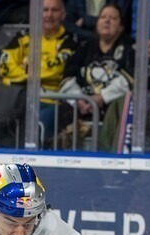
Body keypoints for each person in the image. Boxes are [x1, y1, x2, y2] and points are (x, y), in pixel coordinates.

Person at [0, 0, 79, 146]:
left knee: (37, 129)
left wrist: (24, 69)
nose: (49, 15)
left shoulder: (70, 41)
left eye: (54, 10)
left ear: (63, 14)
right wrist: (33, 74)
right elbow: (5, 66)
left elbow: (55, 70)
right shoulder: (22, 37)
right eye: (45, 10)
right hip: (18, 98)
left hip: (50, 101)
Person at [58, 2, 135, 146]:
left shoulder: (129, 49)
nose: (107, 20)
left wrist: (101, 97)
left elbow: (130, 80)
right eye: (103, 17)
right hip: (82, 106)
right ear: (97, 23)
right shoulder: (84, 48)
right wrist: (79, 99)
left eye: (113, 18)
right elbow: (67, 78)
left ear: (121, 27)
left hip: (110, 106)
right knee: (63, 108)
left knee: (119, 106)